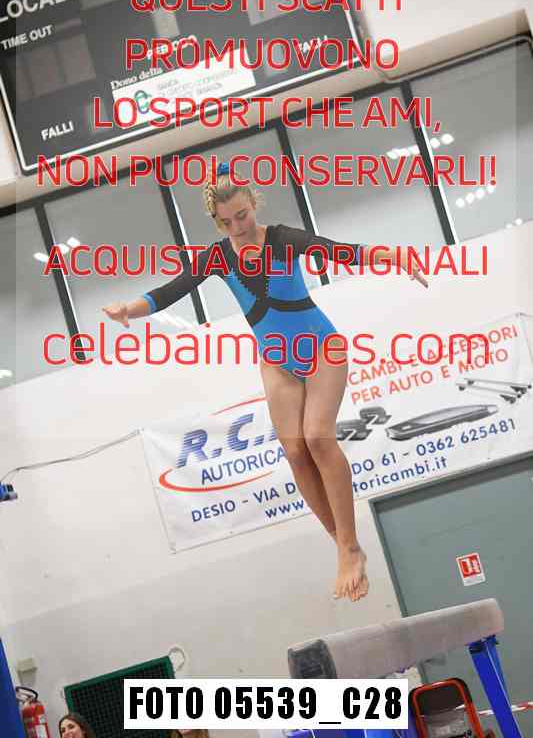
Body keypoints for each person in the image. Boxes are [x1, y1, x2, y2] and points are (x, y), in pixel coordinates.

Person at [103, 161, 428, 601]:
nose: (237, 226)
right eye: (227, 221)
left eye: (242, 215)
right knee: (294, 451)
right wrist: (129, 309)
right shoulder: (218, 256)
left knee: (317, 438)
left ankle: (350, 547)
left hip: (322, 348)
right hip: (277, 362)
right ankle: (343, 547)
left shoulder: (281, 239)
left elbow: (337, 250)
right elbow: (171, 291)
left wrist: (393, 256)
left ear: (253, 203)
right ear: (217, 220)